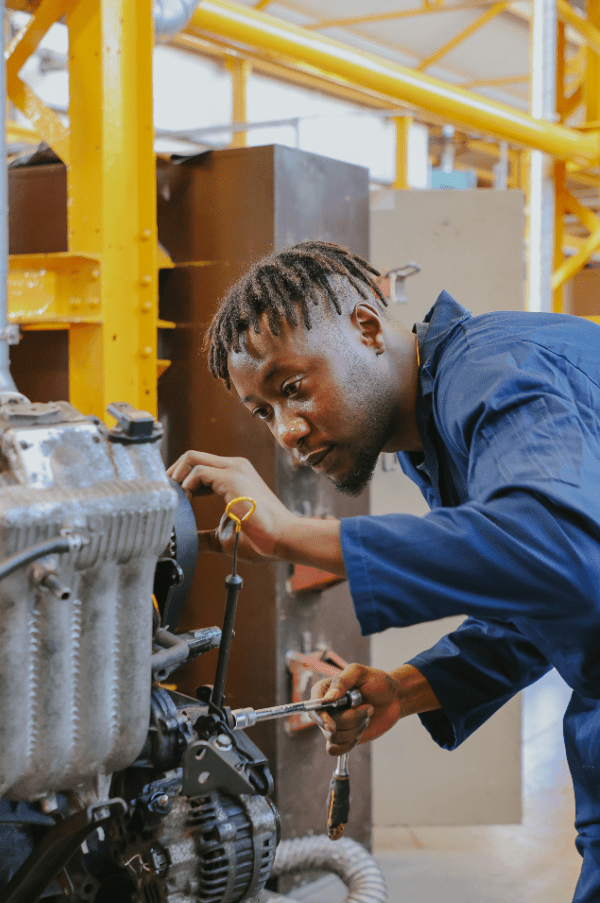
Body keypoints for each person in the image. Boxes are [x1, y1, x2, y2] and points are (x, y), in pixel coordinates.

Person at [167, 240, 600, 902]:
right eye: (265, 412)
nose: (284, 430)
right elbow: (537, 604)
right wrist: (404, 687)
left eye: (293, 388)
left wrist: (297, 536)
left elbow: (558, 551)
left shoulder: (497, 370)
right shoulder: (442, 425)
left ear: (367, 327)